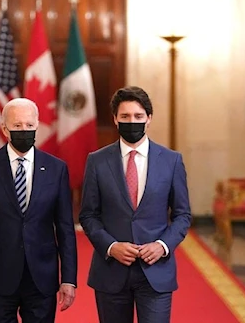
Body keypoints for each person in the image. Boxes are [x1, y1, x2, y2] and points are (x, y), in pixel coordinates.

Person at [79, 87, 192, 323]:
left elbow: (182, 215)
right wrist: (111, 246)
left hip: (156, 271)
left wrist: (162, 245)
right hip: (111, 271)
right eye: (125, 117)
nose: (132, 121)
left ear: (149, 119)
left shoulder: (171, 161)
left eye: (138, 116)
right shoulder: (97, 161)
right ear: (115, 120)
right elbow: (89, 215)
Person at [0, 98, 78, 323]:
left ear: (37, 125)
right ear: (4, 128)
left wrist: (69, 279)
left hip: (41, 277)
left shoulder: (56, 168)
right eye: (16, 126)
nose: (23, 130)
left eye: (28, 125)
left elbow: (65, 229)